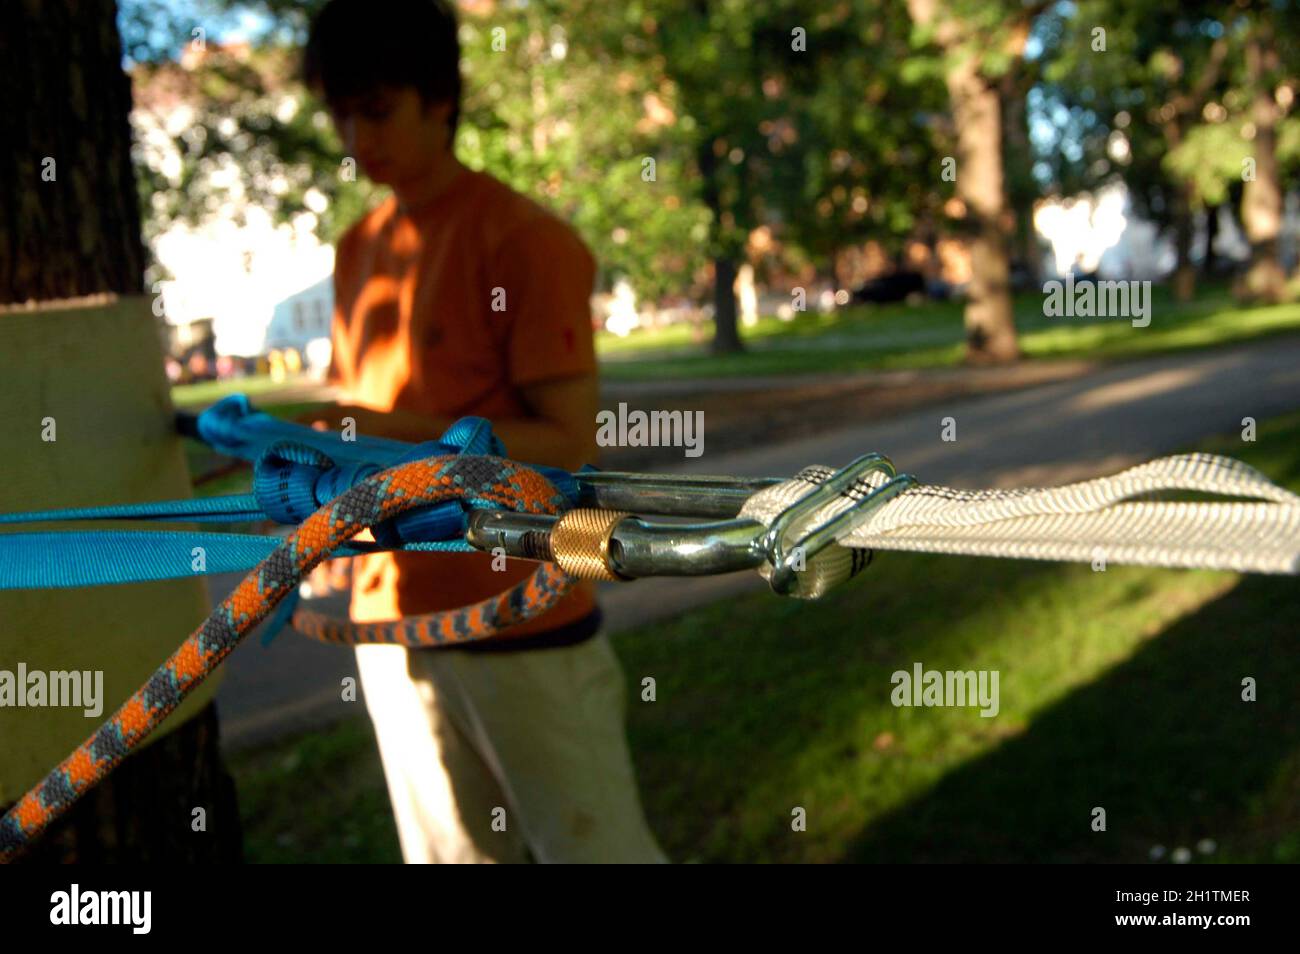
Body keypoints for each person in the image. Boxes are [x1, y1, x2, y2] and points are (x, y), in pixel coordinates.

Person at [301, 0, 666, 863]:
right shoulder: (358, 247)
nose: (357, 137)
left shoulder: (525, 241)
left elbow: (570, 442)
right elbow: (357, 412)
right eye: (340, 114)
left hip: (518, 618)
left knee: (593, 851)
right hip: (387, 621)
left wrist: (391, 435)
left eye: (377, 109)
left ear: (440, 100)